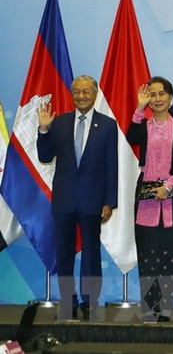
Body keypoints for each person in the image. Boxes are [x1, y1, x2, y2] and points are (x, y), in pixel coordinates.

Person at [37, 75, 118, 321]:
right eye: (77, 92)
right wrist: (44, 129)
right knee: (64, 253)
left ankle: (90, 302)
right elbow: (45, 156)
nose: (81, 96)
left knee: (91, 253)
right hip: (64, 199)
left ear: (95, 94)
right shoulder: (59, 122)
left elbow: (111, 165)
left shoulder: (107, 125)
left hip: (93, 200)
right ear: (72, 95)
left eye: (86, 92)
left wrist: (109, 201)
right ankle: (67, 302)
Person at [126, 76, 173, 322]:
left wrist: (168, 186)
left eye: (162, 93)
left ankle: (166, 307)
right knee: (148, 252)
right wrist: (139, 107)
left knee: (169, 252)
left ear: (170, 98)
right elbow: (132, 136)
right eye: (152, 94)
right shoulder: (144, 125)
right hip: (146, 194)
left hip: (172, 193)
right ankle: (149, 306)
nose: (157, 98)